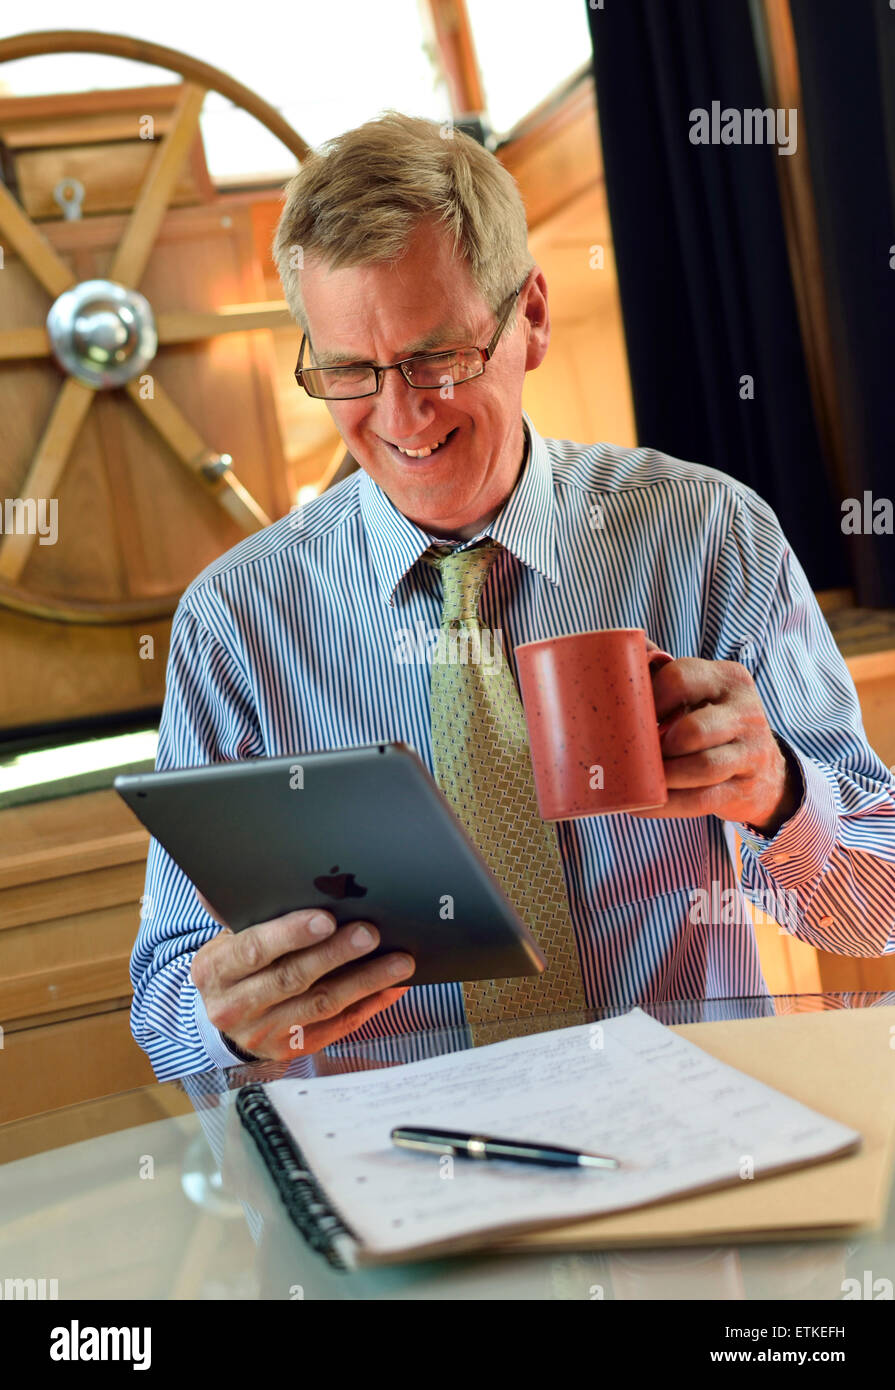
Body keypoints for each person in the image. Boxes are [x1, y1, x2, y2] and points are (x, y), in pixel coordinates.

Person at [130, 112, 895, 1081]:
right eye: (351, 373)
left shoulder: (707, 535)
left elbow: (883, 899)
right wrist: (230, 1017)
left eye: (435, 357)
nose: (403, 413)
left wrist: (779, 794)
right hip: (395, 1178)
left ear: (529, 315)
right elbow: (162, 1013)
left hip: (690, 1139)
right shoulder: (236, 624)